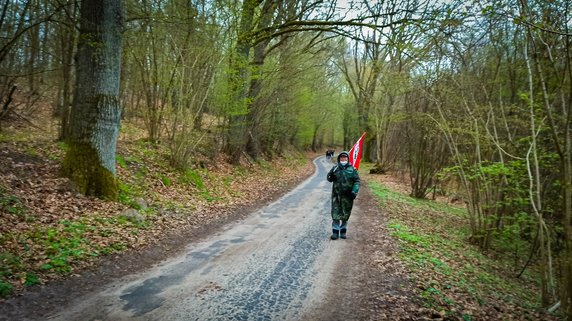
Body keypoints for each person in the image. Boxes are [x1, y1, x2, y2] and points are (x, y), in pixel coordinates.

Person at [326, 151, 360, 240]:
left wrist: (354, 191)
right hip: (336, 196)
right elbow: (329, 179)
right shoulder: (335, 168)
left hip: (348, 196)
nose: (343, 159)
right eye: (341, 158)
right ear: (339, 159)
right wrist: (331, 176)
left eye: (345, 158)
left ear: (348, 159)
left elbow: (357, 181)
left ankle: (343, 231)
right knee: (335, 213)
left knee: (345, 213)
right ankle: (335, 232)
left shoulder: (352, 169)